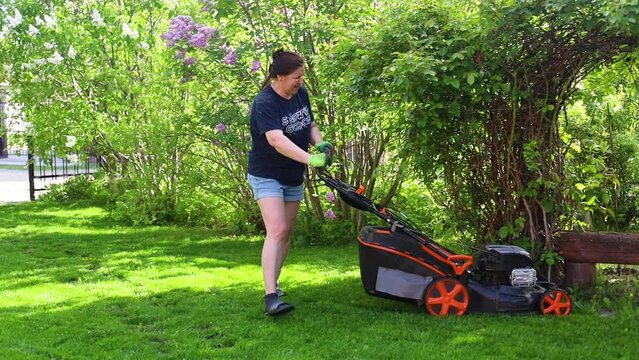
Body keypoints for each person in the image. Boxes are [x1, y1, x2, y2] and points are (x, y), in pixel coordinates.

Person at [247, 49, 332, 316]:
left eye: (302, 77)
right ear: (280, 76)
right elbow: (276, 140)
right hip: (266, 174)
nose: (301, 81)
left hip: (292, 175)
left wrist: (320, 143)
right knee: (277, 229)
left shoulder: (299, 94)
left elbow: (309, 124)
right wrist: (310, 159)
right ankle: (270, 296)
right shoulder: (265, 103)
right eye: (296, 77)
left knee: (287, 231)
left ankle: (276, 283)